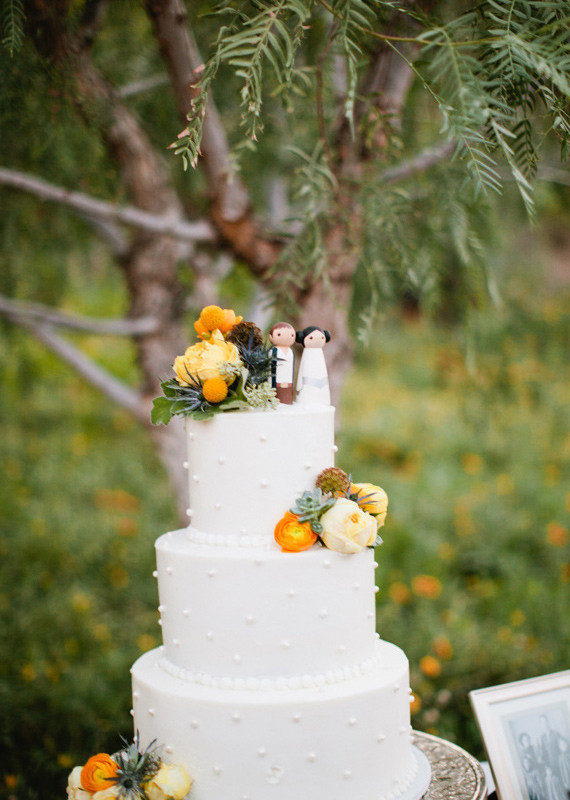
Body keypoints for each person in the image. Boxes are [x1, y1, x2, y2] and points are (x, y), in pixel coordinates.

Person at [295, 326, 331, 405]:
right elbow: (302, 370)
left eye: (322, 337)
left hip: (323, 387)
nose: (318, 340)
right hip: (307, 388)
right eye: (311, 338)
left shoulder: (320, 353)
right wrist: (300, 387)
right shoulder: (307, 353)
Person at [269, 322, 296, 404]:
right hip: (275, 381)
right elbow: (271, 368)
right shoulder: (274, 351)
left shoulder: (290, 352)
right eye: (279, 334)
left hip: (288, 381)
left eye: (291, 335)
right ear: (271, 337)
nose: (287, 337)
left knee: (287, 398)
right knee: (276, 399)